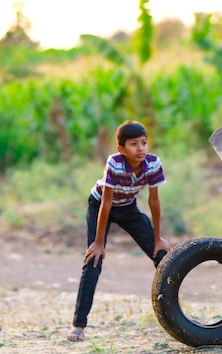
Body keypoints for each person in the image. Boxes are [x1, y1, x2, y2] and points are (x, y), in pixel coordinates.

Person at [67, 120, 171, 342]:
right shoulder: (114, 163)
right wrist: (98, 242)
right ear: (121, 149)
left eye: (143, 143)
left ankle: (178, 316)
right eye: (133, 144)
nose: (140, 148)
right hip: (100, 206)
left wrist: (157, 237)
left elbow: (154, 201)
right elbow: (106, 203)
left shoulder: (153, 163)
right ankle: (78, 325)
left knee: (161, 257)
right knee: (93, 261)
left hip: (128, 208)